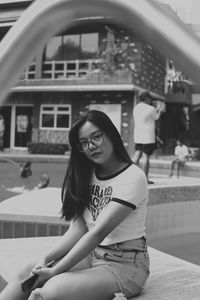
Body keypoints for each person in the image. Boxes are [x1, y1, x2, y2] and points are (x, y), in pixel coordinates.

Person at [0, 110, 149, 300]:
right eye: (84, 143)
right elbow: (78, 229)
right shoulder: (88, 173)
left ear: (111, 135)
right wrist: (46, 259)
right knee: (27, 273)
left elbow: (97, 233)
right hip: (93, 255)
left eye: (97, 137)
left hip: (126, 264)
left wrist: (54, 272)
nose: (91, 146)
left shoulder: (132, 177)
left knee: (52, 290)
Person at [133, 90, 165, 184]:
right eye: (150, 98)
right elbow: (156, 117)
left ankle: (131, 177)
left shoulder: (136, 107)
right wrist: (160, 110)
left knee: (137, 156)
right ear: (146, 98)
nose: (150, 100)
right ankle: (144, 179)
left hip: (138, 135)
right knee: (146, 156)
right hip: (147, 136)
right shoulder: (151, 108)